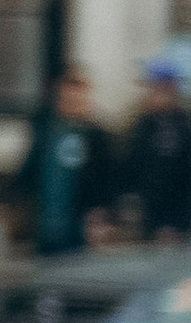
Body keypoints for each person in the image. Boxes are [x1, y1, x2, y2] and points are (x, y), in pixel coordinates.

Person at [13, 64, 122, 256]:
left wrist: (101, 215)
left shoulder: (96, 137)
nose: (72, 104)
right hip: (46, 225)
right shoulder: (47, 133)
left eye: (77, 99)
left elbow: (107, 178)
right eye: (67, 99)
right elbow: (30, 170)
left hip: (80, 227)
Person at [122, 60, 190, 242]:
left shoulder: (183, 127)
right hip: (146, 221)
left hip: (176, 224)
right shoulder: (143, 125)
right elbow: (131, 171)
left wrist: (176, 223)